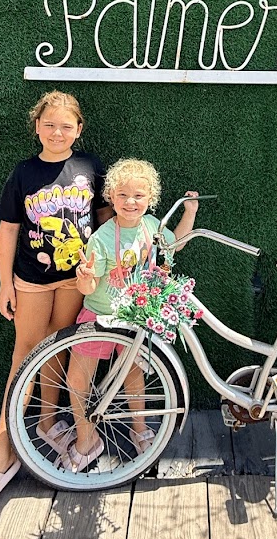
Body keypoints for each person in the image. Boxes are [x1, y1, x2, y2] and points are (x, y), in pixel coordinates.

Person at [0, 90, 111, 523]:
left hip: (74, 280)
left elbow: (102, 223)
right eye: (49, 125)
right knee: (24, 355)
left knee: (58, 351)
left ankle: (46, 424)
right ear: (37, 127)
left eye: (66, 126)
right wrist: (6, 284)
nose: (57, 132)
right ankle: (0, 457)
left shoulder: (90, 167)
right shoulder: (24, 172)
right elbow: (8, 230)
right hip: (32, 280)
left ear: (78, 130)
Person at [63, 158, 198, 471]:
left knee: (133, 374)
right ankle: (86, 437)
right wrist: (83, 279)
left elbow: (174, 244)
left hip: (135, 318)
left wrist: (189, 212)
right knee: (78, 378)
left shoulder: (152, 226)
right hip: (99, 318)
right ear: (111, 198)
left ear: (150, 199)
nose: (130, 202)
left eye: (138, 196)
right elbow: (88, 285)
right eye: (122, 195)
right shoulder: (101, 238)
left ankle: (140, 429)